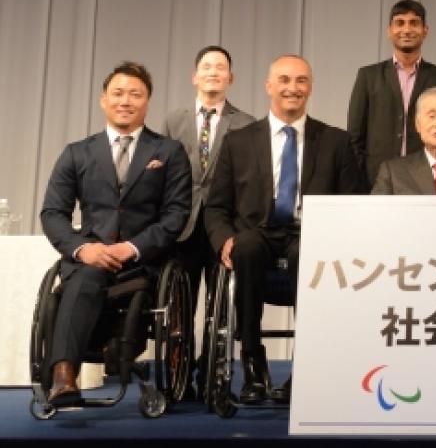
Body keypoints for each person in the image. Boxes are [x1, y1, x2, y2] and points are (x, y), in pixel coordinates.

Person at [206, 55, 366, 404]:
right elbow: (216, 206)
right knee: (245, 246)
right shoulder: (239, 141)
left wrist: (336, 241)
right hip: (256, 236)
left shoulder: (336, 142)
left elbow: (353, 202)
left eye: (301, 81)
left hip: (311, 236)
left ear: (310, 87)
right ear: (269, 86)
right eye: (284, 80)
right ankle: (252, 363)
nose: (292, 88)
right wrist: (223, 241)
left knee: (306, 250)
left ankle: (305, 366)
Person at [40, 62, 191, 406]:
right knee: (87, 277)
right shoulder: (77, 152)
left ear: (147, 102)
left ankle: (117, 350)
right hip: (89, 259)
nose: (126, 101)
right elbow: (53, 213)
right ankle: (64, 374)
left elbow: (176, 214)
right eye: (118, 93)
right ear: (103, 100)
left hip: (144, 262)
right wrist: (82, 249)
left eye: (135, 94)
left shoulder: (168, 152)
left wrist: (132, 247)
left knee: (119, 284)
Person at [162, 45, 255, 398]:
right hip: (182, 223)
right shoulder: (174, 120)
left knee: (219, 304)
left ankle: (212, 372)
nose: (213, 72)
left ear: (230, 78)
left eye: (220, 67)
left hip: (223, 225)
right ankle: (179, 369)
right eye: (206, 66)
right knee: (180, 302)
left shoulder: (246, 123)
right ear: (195, 76)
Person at [348, 0, 436, 183]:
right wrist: (361, 175)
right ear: (389, 31)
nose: (406, 30)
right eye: (400, 23)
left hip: (427, 179)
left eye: (414, 23)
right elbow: (354, 135)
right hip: (376, 179)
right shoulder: (368, 76)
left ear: (425, 31)